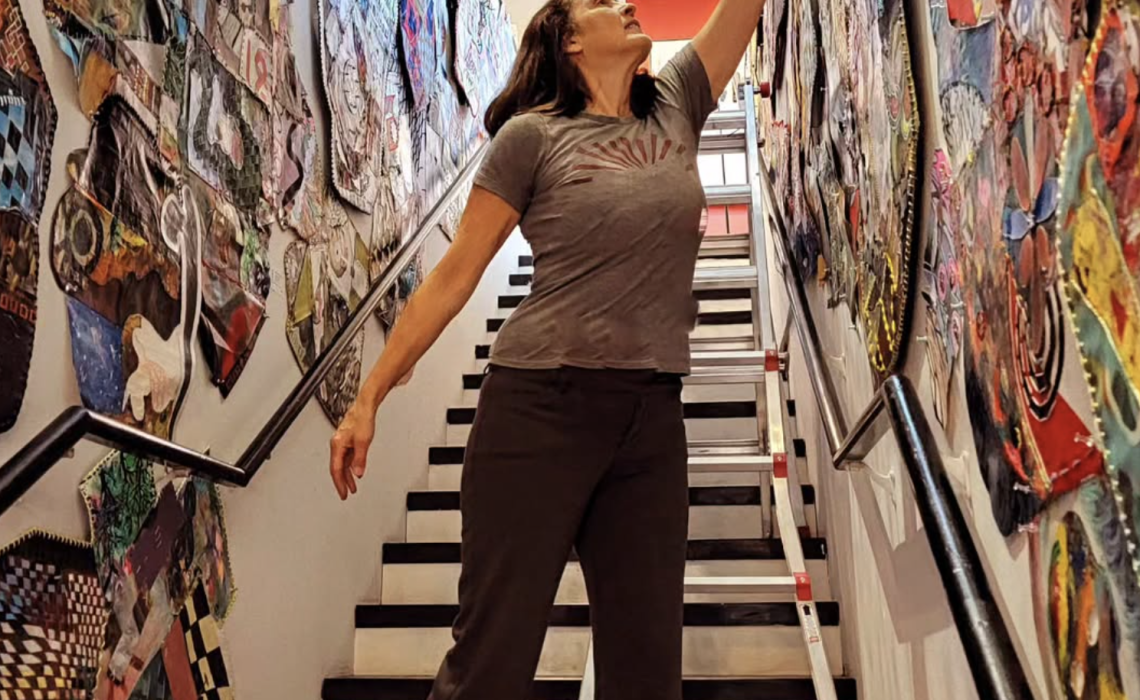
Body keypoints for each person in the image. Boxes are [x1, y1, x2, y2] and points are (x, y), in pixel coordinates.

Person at [329, 0, 766, 697]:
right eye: (602, 4)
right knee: (491, 663)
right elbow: (453, 277)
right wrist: (368, 397)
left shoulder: (676, 103)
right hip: (538, 412)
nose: (626, 5)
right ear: (569, 42)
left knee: (648, 672)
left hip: (651, 418)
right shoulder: (532, 137)